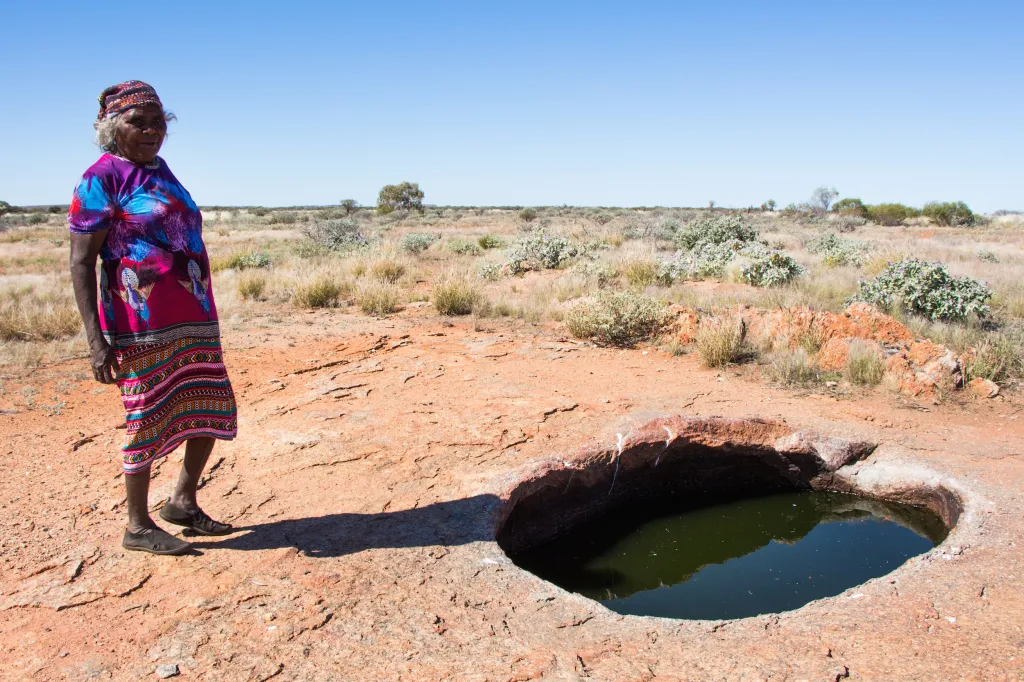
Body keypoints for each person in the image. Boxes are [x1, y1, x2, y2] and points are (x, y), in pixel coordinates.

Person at [68, 81, 238, 555]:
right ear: (110, 127)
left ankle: (182, 502)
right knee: (145, 416)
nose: (151, 131)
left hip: (193, 313)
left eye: (158, 121)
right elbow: (82, 262)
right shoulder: (100, 177)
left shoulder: (160, 170)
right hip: (139, 322)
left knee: (210, 403)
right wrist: (96, 340)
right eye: (137, 122)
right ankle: (137, 526)